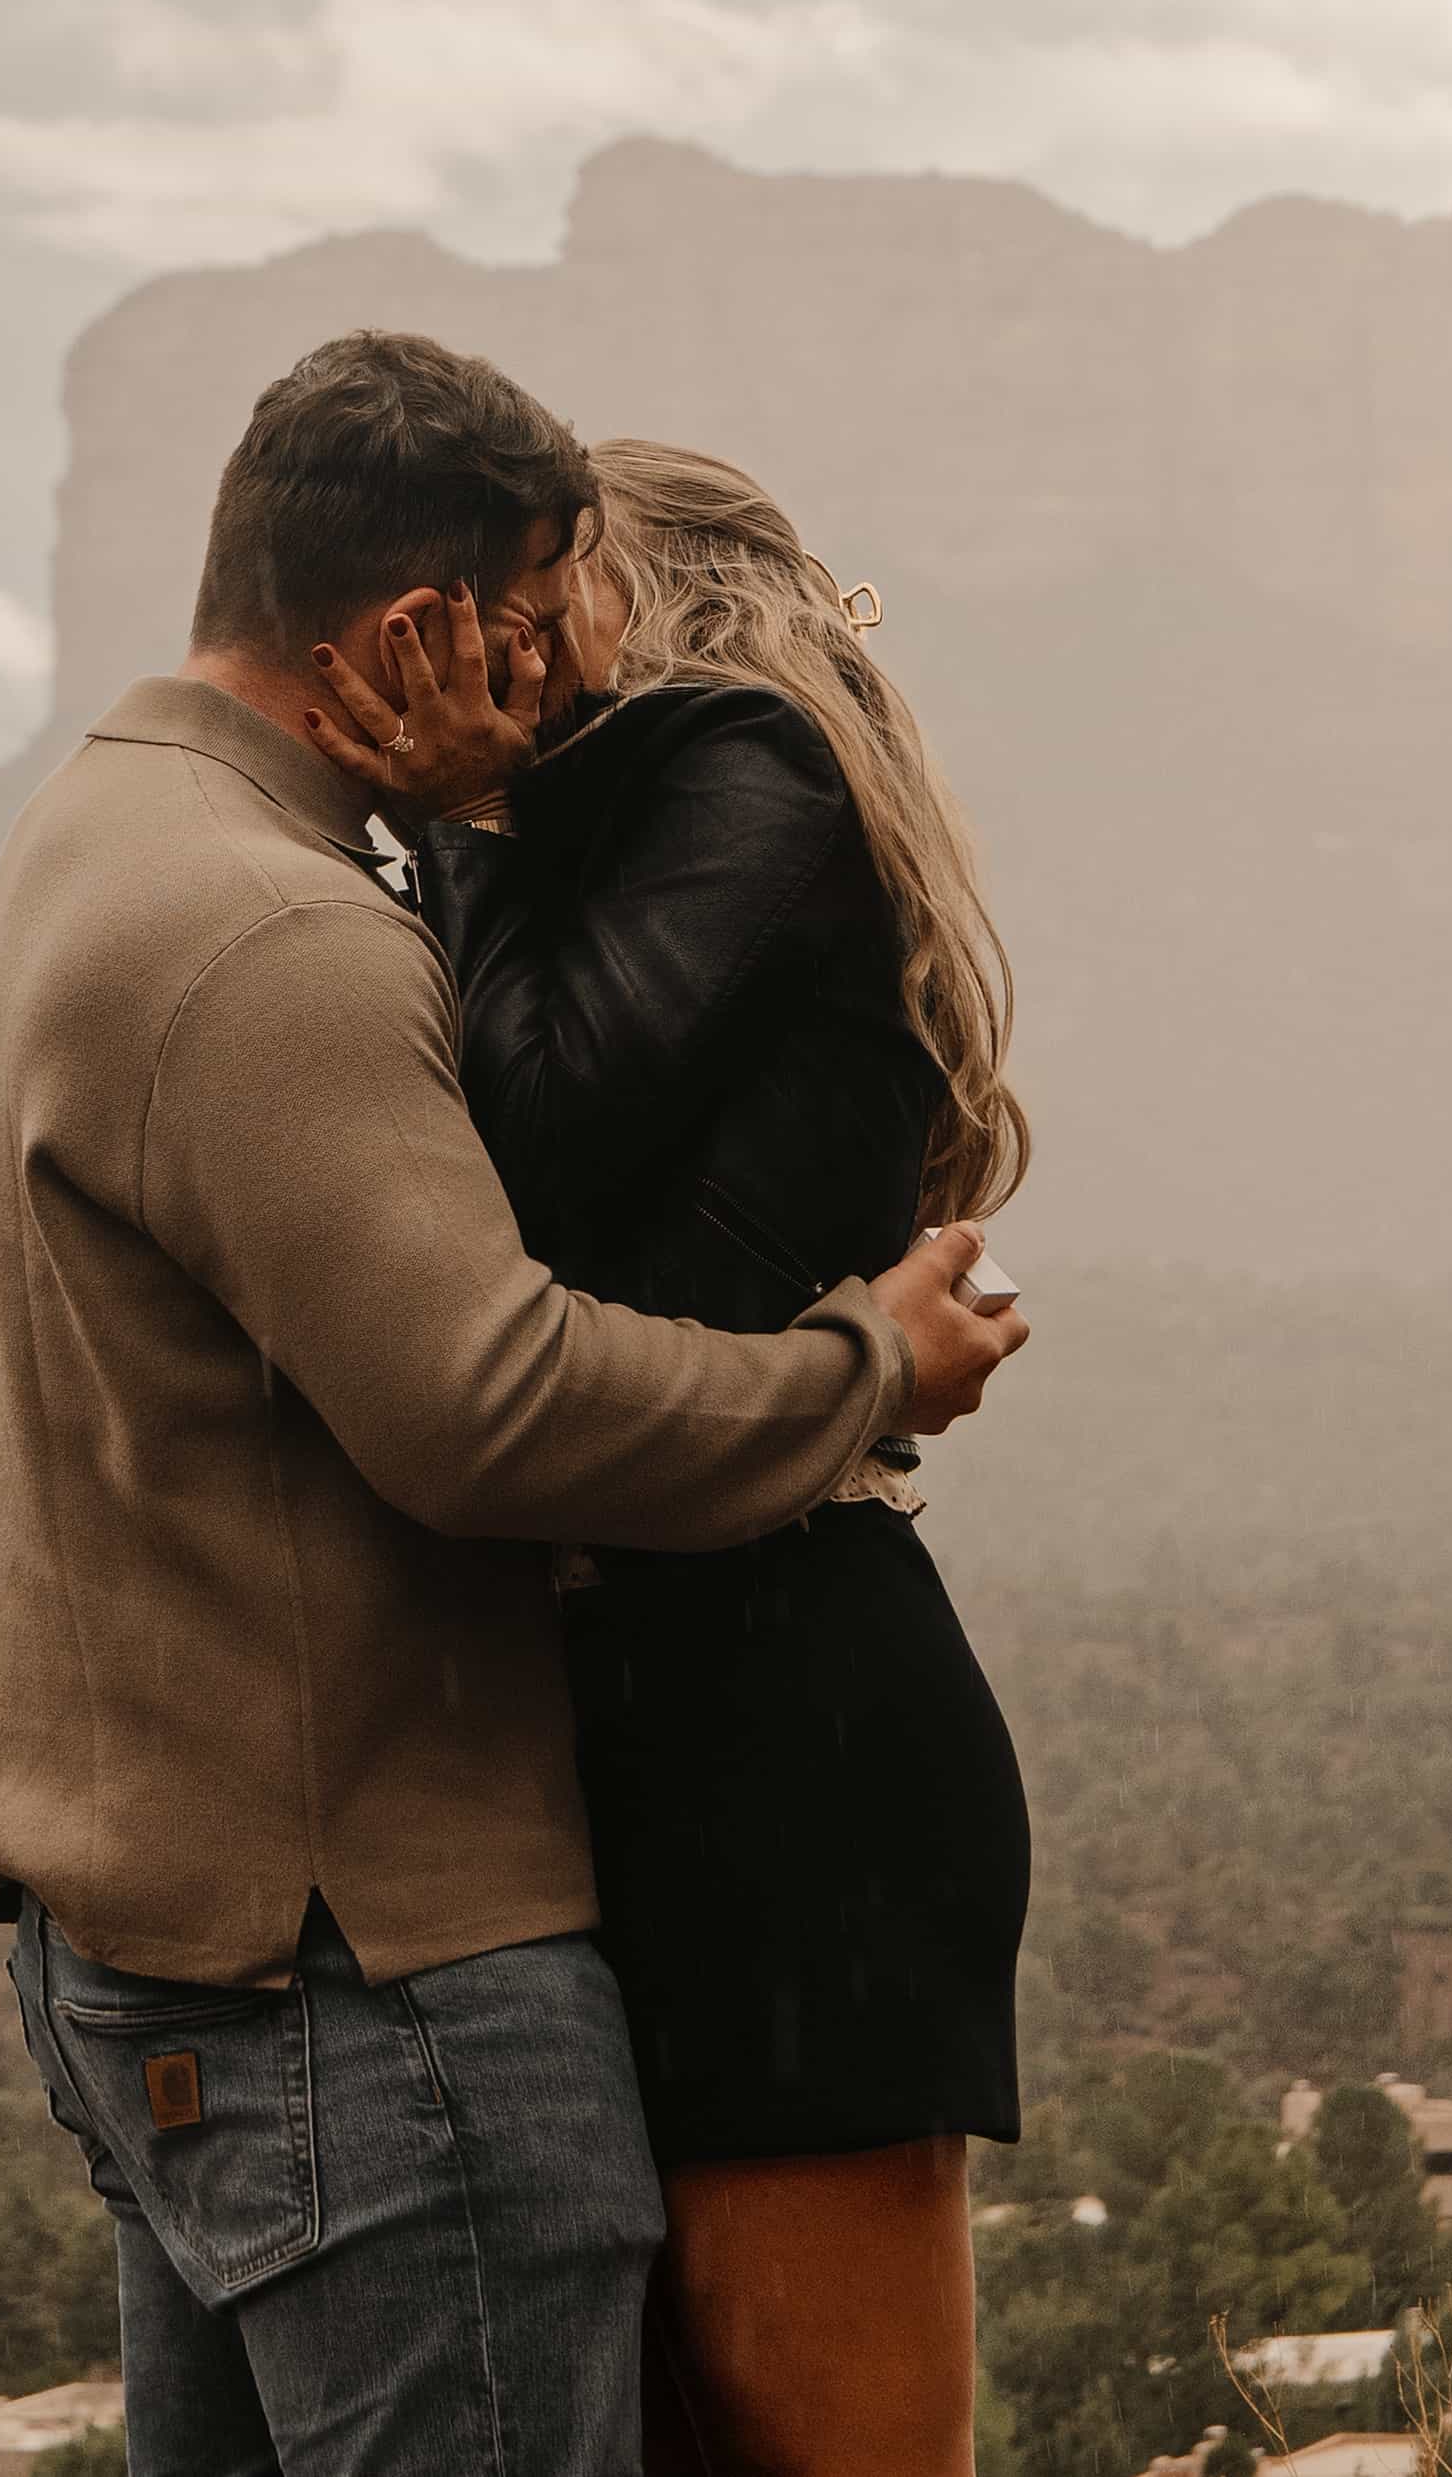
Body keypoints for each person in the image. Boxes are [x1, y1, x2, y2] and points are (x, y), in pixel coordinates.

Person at [0, 329, 1036, 2477]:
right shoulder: (277, 923)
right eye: (526, 624)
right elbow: (486, 1398)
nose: (538, 681)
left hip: (616, 1811)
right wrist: (869, 1367)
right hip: (363, 1940)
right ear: (424, 625)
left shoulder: (106, 844)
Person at [309, 441, 1035, 2477]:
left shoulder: (747, 762)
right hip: (646, 1714)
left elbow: (524, 1148)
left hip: (779, 1742)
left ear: (640, 586)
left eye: (533, 592)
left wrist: (454, 807)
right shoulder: (640, 829)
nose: (489, 647)